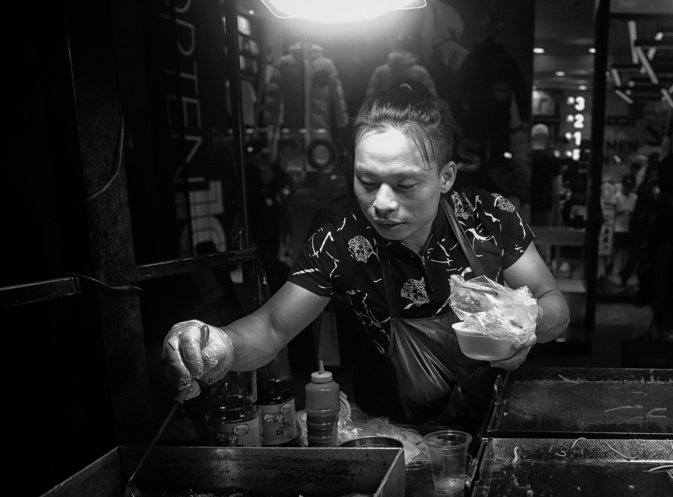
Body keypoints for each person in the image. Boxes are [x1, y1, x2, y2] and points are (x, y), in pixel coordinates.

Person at [162, 86, 570, 431]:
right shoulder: (340, 237)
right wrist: (219, 343)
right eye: (367, 181)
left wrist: (528, 321)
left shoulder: (489, 215)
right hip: (396, 433)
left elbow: (555, 305)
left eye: (405, 183)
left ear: (446, 177)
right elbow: (270, 328)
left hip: (502, 420)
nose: (383, 203)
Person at [633, 153, 673, 343]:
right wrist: (660, 292)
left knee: (663, 325)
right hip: (664, 282)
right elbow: (664, 253)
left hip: (656, 279)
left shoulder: (655, 205)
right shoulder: (668, 209)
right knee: (670, 330)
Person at [529, 123, 563, 226]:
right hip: (545, 202)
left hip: (526, 201)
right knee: (543, 233)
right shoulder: (552, 158)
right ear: (546, 138)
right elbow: (557, 185)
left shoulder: (526, 157)